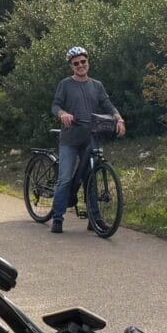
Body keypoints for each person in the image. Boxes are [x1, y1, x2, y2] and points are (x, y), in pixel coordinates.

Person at [49, 46, 125, 234]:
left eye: (83, 62)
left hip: (91, 138)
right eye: (76, 63)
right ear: (71, 66)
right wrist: (63, 114)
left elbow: (108, 104)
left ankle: (94, 219)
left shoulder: (97, 85)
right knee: (65, 179)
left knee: (91, 179)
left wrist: (119, 119)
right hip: (70, 138)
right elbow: (55, 105)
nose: (80, 65)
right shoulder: (65, 84)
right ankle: (57, 218)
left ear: (88, 62)